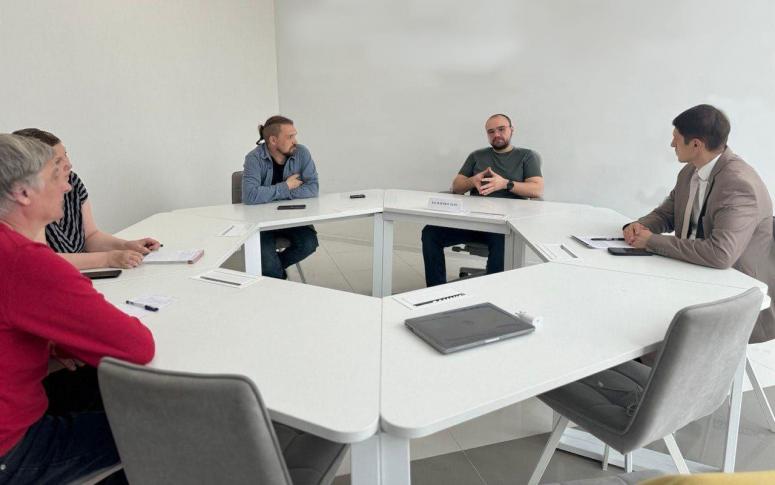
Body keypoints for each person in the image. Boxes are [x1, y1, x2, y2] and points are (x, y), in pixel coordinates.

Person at [0, 134, 155, 484]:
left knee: (91, 385)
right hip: (12, 449)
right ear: (22, 192)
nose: (67, 186)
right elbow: (137, 346)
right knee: (161, 427)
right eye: (55, 175)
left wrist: (52, 345)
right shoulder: (27, 261)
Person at [624, 104, 775, 343]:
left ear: (696, 145)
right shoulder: (690, 173)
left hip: (736, 296)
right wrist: (639, 226)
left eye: (676, 139)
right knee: (631, 301)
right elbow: (667, 214)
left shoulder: (738, 185)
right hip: (695, 275)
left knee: (643, 325)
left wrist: (651, 241)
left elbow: (720, 254)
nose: (671, 144)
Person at [421, 113, 544, 287]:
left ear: (512, 130)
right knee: (430, 233)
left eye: (501, 129)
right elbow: (456, 187)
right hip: (473, 221)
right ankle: (435, 291)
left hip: (503, 226)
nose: (496, 135)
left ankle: (490, 292)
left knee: (502, 242)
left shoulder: (526, 156)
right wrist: (473, 180)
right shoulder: (477, 156)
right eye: (491, 131)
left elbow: (537, 189)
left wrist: (505, 184)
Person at [12, 128, 160, 270]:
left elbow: (90, 236)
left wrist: (125, 246)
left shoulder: (72, 181)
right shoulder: (31, 199)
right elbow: (43, 260)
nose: (69, 165)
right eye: (58, 161)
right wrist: (107, 259)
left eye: (66, 155)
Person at [242, 115, 319, 279]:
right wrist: (286, 186)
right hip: (261, 222)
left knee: (309, 243)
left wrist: (270, 194)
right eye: (290, 137)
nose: (295, 141)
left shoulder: (302, 153)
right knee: (268, 263)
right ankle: (274, 276)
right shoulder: (253, 158)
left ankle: (272, 271)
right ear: (273, 140)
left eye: (295, 135)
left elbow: (313, 188)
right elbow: (250, 195)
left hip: (291, 218)